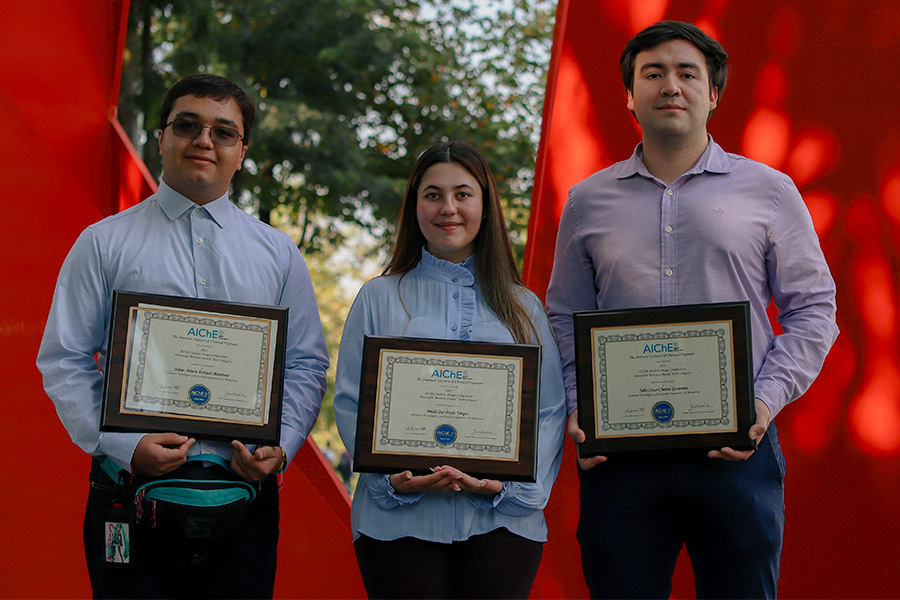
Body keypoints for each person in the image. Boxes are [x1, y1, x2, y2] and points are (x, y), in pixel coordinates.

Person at [545, 21, 838, 599]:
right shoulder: (587, 201)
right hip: (619, 458)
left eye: (687, 73)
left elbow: (815, 310)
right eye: (652, 74)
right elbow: (564, 317)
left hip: (736, 449)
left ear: (713, 93)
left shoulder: (770, 191)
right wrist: (581, 405)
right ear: (630, 95)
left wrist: (762, 401)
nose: (670, 86)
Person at [37, 74, 329, 598]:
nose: (203, 140)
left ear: (242, 152)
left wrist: (280, 446)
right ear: (161, 137)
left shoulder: (278, 254)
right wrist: (123, 445)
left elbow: (306, 365)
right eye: (188, 125)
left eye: (223, 132)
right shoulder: (103, 243)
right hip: (127, 491)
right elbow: (64, 358)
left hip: (246, 494)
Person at [333, 141, 567, 599]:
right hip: (396, 524)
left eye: (463, 194)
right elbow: (351, 400)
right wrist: (389, 478)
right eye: (433, 194)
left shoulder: (524, 307)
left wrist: (513, 486)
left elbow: (550, 411)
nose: (448, 208)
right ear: (414, 206)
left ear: (484, 205)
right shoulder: (379, 297)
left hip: (503, 523)